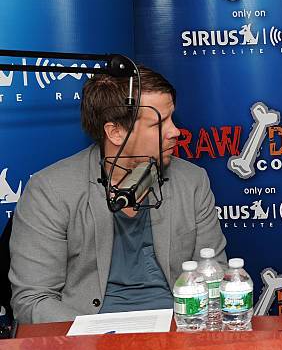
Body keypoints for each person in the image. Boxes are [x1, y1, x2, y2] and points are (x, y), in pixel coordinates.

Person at [9, 66, 227, 323]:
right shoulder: (51, 190)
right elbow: (33, 300)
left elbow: (216, 273)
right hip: (88, 340)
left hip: (178, 329)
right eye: (159, 123)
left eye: (172, 119)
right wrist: (96, 338)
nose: (175, 132)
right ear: (115, 132)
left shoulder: (192, 181)